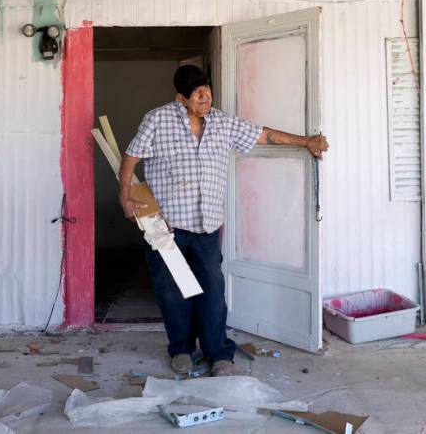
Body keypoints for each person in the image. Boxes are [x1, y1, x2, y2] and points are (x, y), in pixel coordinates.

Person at [119, 64, 328, 377]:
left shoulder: (221, 122)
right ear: (181, 98)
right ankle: (181, 350)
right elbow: (131, 157)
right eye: (198, 93)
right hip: (166, 227)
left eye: (207, 91)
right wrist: (125, 196)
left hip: (206, 226)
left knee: (212, 290)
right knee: (172, 292)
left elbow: (264, 135)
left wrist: (305, 142)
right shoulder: (157, 120)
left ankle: (218, 353)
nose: (205, 98)